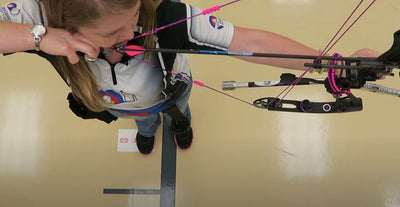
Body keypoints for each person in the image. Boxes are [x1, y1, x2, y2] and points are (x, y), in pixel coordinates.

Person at [0, 0, 379, 154]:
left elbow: (249, 40)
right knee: (144, 123)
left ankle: (180, 126)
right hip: (119, 106)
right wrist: (39, 37)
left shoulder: (166, 15)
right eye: (113, 34)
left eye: (133, 18)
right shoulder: (38, 16)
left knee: (179, 112)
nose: (132, 31)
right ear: (66, 25)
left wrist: (333, 63)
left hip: (172, 90)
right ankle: (147, 133)